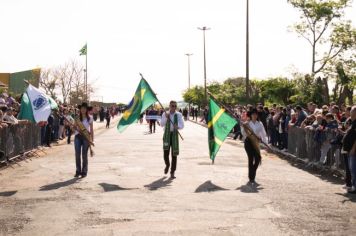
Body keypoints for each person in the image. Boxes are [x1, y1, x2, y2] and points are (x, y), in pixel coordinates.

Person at [241, 108, 268, 185]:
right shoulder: (247, 123)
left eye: (256, 114)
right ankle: (251, 177)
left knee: (258, 158)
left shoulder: (260, 123)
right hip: (248, 143)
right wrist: (244, 127)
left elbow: (263, 133)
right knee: (251, 158)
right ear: (250, 115)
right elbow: (243, 133)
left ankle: (252, 172)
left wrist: (266, 143)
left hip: (256, 143)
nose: (255, 115)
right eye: (253, 114)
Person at [160, 101, 184, 179]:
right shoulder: (165, 114)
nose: (173, 107)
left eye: (174, 106)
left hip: (174, 136)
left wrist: (178, 126)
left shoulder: (179, 114)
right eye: (172, 106)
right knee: (165, 153)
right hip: (167, 135)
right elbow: (161, 124)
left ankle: (172, 172)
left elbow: (182, 125)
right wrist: (166, 118)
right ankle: (167, 165)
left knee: (174, 154)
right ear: (169, 106)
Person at [74, 102, 94, 178]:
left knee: (84, 155)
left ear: (86, 110)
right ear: (80, 109)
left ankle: (84, 171)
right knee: (77, 154)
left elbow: (91, 130)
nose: (83, 110)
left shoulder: (90, 118)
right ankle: (78, 171)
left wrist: (92, 140)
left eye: (84, 109)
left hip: (86, 137)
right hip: (77, 137)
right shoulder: (77, 118)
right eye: (82, 108)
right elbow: (74, 128)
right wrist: (73, 127)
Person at [343, 106, 356, 194]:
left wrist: (353, 148)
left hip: (353, 151)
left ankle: (354, 187)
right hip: (349, 150)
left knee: (353, 169)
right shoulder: (353, 122)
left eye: (351, 110)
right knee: (352, 169)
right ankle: (353, 185)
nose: (349, 112)